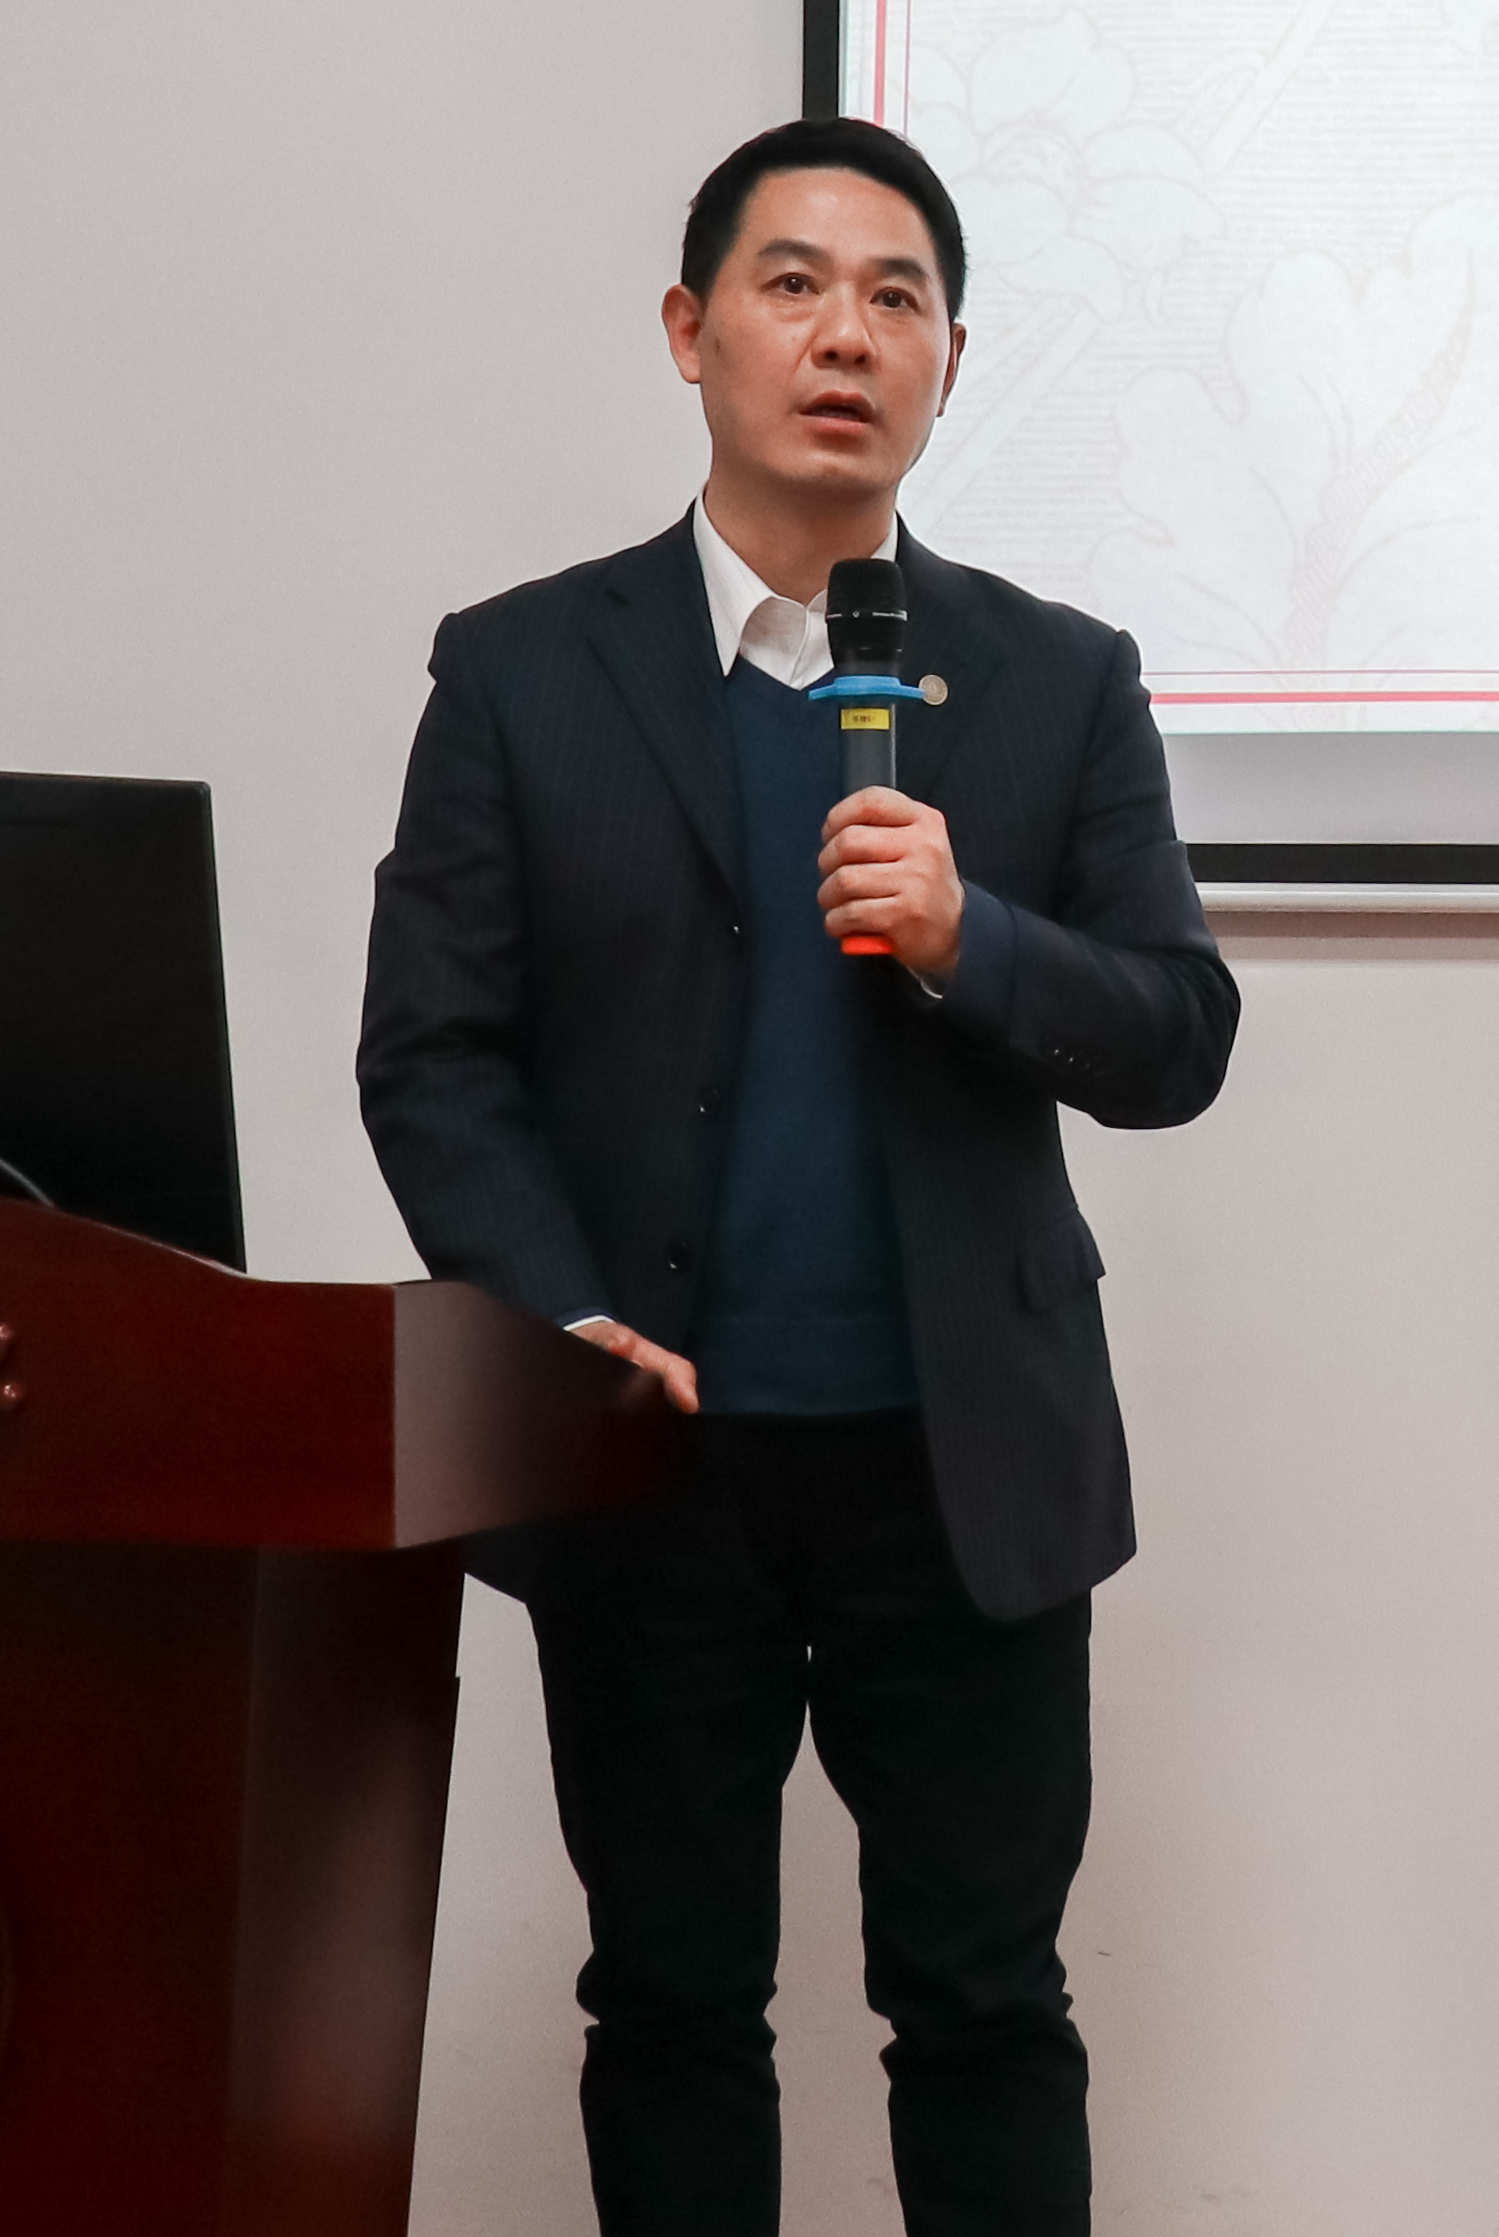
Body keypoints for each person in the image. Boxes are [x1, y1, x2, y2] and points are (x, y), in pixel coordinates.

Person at [359, 117, 1238, 2237]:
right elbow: (433, 1054)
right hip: (652, 1451)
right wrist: (557, 1319)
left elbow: (1176, 1034)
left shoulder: (1058, 677)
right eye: (793, 284)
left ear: (949, 361)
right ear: (691, 329)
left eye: (896, 298)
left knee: (985, 2001)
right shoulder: (523, 669)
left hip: (962, 1459)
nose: (846, 334)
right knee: (671, 2001)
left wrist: (970, 937)